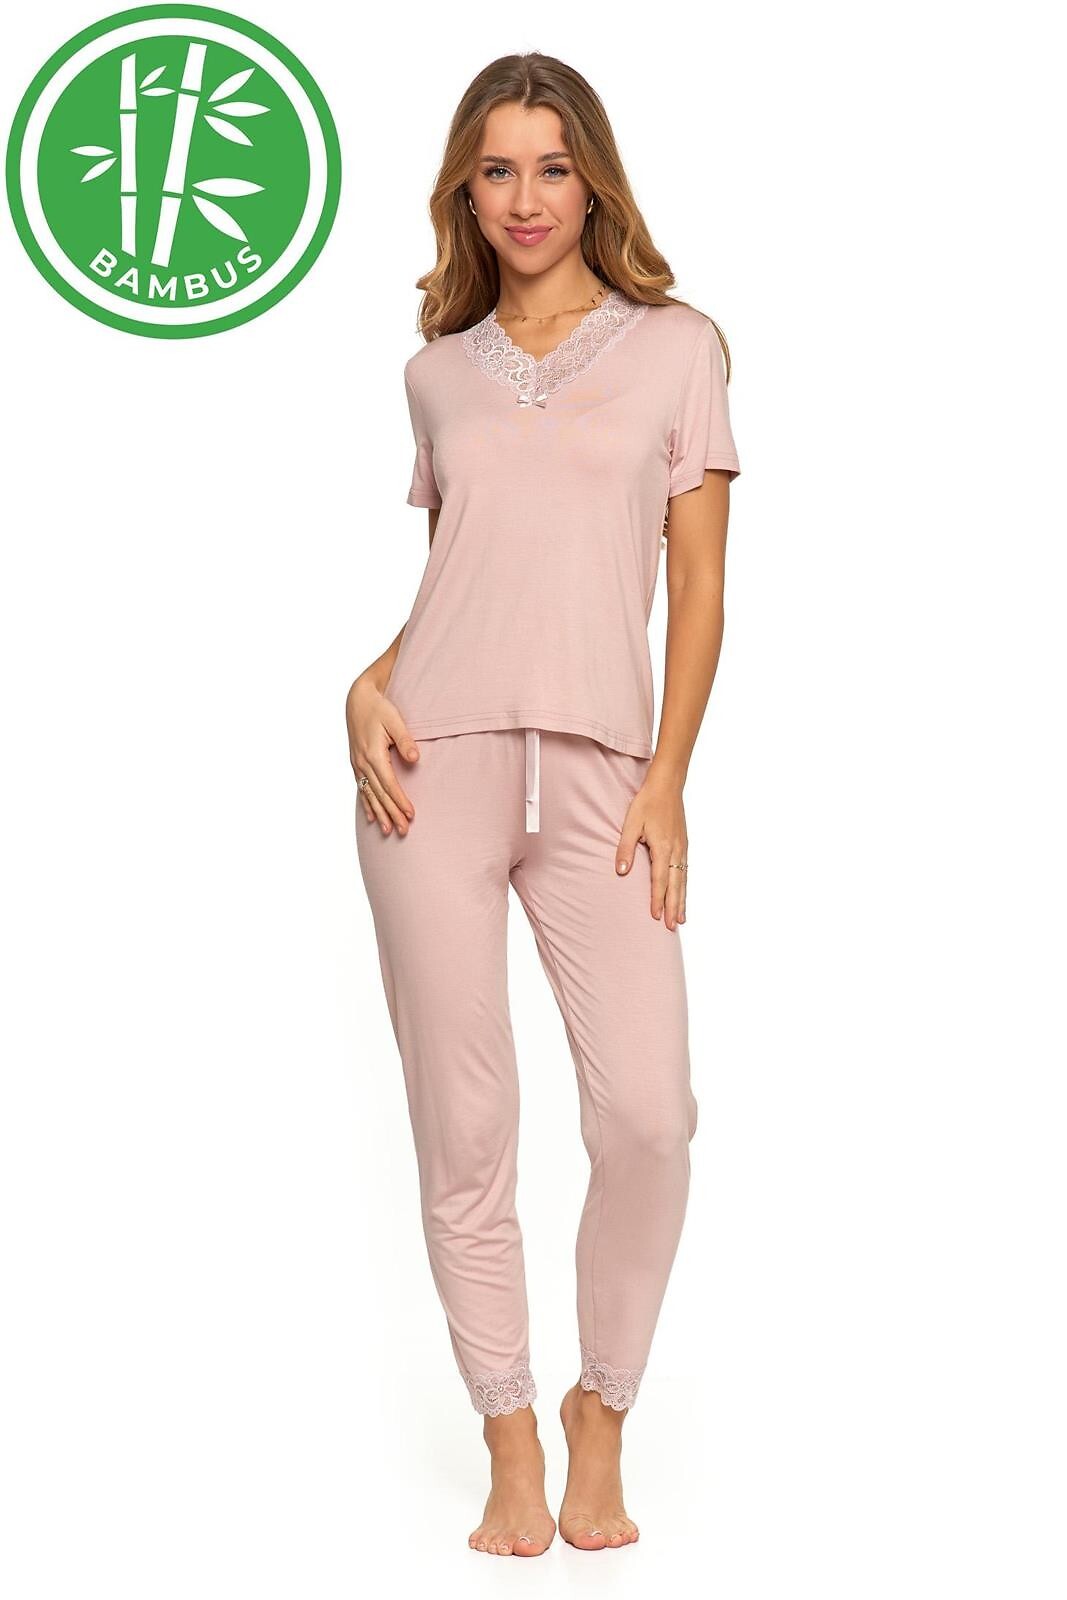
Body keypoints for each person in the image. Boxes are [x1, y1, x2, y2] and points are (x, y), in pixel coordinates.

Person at [345, 51, 740, 1558]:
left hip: (603, 778)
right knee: (466, 1125)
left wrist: (669, 779)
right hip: (425, 772)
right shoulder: (437, 372)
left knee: (648, 1116)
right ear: (466, 187)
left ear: (595, 183)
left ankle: (601, 1406)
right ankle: (508, 1429)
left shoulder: (679, 349)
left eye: (554, 167)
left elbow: (696, 586)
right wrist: (364, 684)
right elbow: (468, 581)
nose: (526, 198)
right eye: (498, 169)